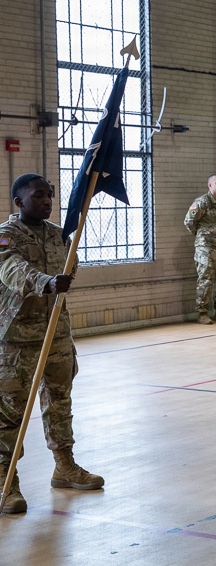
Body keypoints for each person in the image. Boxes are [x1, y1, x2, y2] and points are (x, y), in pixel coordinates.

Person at [0, 174, 103, 515]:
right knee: (10, 413)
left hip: (56, 332)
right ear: (19, 202)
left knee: (59, 402)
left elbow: (69, 268)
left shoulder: (59, 233)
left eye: (50, 195)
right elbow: (11, 270)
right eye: (39, 196)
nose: (47, 201)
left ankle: (65, 466)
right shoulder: (6, 235)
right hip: (18, 340)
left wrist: (68, 268)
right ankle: (5, 479)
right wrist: (46, 282)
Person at [184, 174, 216, 324]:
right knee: (206, 279)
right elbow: (189, 222)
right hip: (206, 248)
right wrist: (203, 235)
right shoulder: (201, 202)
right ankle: (202, 312)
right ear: (210, 185)